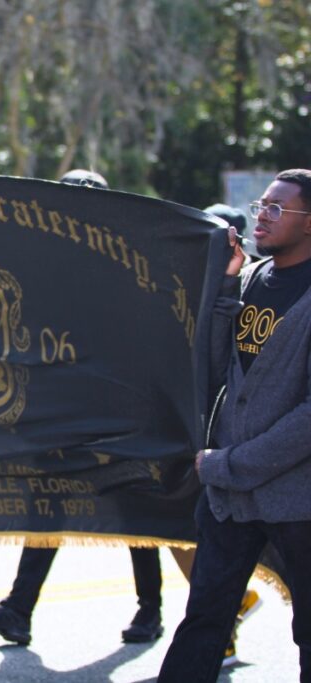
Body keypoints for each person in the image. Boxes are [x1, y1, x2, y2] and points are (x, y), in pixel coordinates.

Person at [0, 170, 166, 647]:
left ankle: (150, 609)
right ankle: (17, 610)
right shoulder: (43, 263)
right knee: (47, 503)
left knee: (135, 513)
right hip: (64, 409)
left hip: (119, 410)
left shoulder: (123, 261)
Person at [159, 169, 311, 682]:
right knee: (204, 618)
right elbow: (219, 367)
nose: (261, 215)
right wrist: (226, 283)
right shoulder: (251, 279)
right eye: (263, 204)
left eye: (277, 208)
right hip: (229, 496)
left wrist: (232, 463)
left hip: (297, 500)